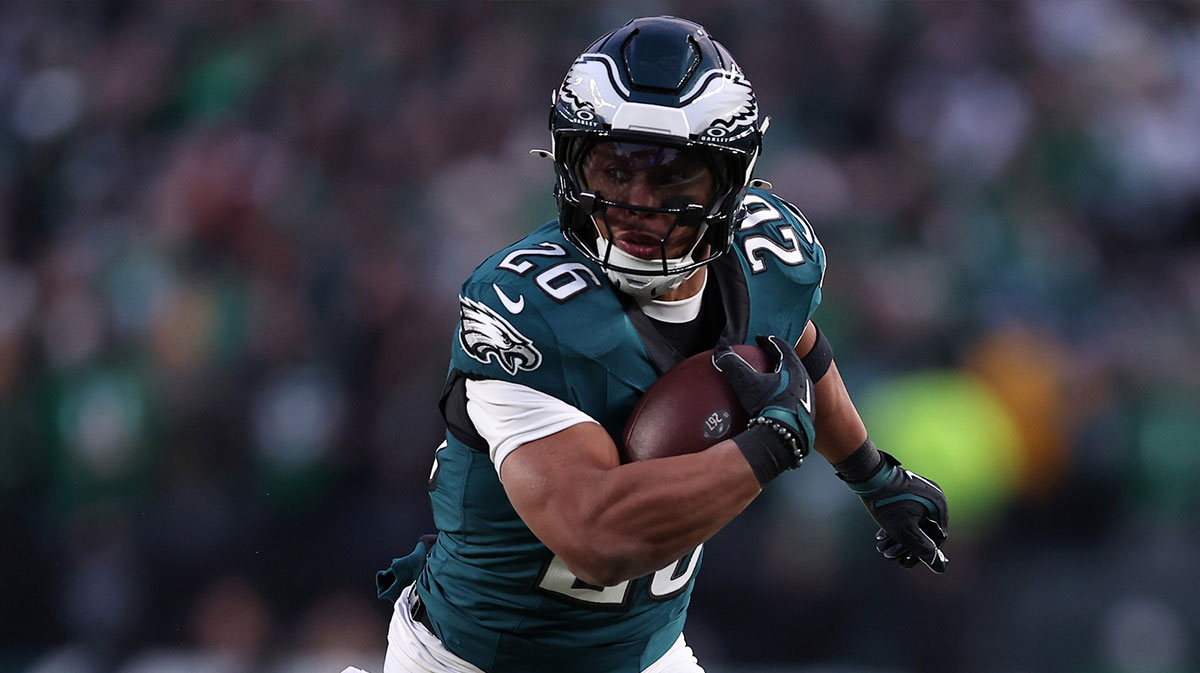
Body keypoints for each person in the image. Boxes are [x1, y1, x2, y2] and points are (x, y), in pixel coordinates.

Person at [371, 15, 949, 673]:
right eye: (614, 170)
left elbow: (797, 351)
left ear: (729, 183)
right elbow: (596, 535)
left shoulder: (765, 260)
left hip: (645, 654)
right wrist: (767, 446)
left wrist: (873, 473)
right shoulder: (529, 309)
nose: (639, 203)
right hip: (478, 660)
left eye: (675, 177)